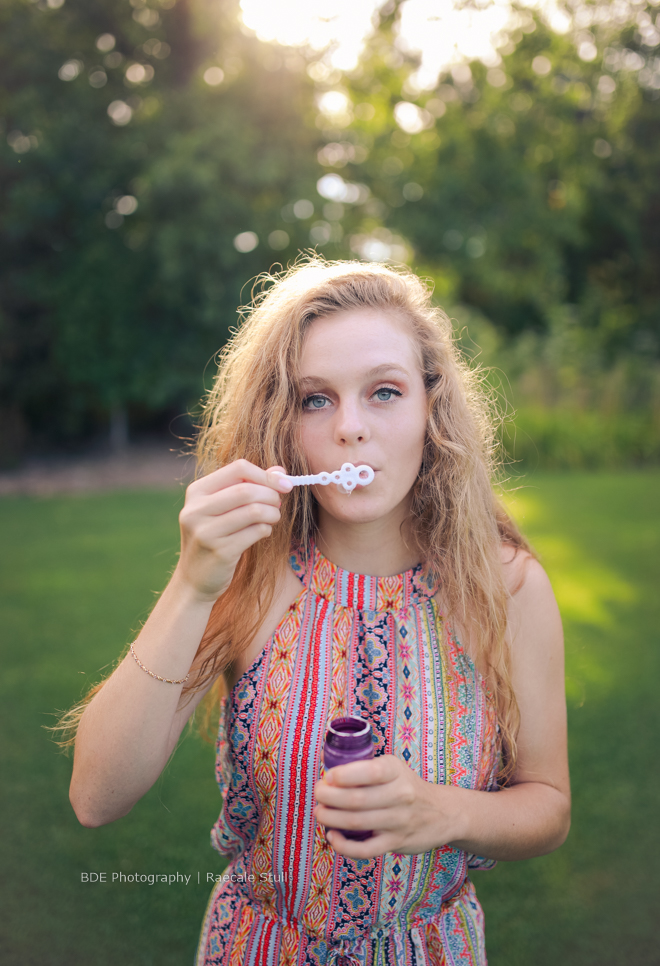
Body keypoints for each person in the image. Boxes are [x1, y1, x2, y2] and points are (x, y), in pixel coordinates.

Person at [64, 258, 570, 966]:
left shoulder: (507, 586)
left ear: (433, 407)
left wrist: (443, 812)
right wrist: (192, 585)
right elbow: (96, 795)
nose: (351, 429)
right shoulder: (249, 575)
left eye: (385, 392)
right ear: (282, 422)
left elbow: (548, 805)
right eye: (315, 400)